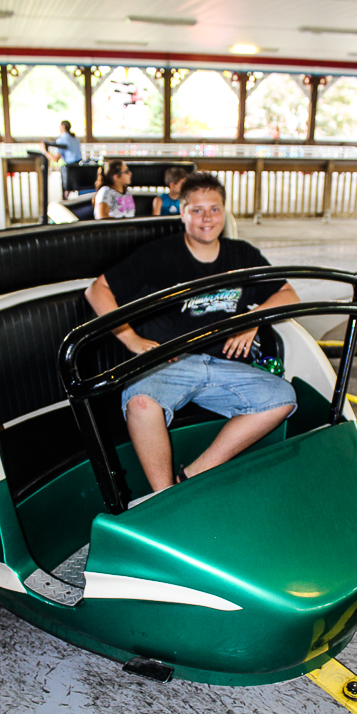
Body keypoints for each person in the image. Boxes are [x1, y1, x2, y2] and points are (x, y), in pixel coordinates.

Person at [85, 172, 299, 494]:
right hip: (171, 362)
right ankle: (165, 496)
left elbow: (287, 294)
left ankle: (192, 477)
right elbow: (97, 290)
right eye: (196, 210)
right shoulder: (158, 254)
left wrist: (252, 319)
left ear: (224, 212)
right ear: (181, 212)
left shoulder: (241, 254)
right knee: (141, 405)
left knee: (283, 398)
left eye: (214, 209)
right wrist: (130, 338)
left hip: (226, 365)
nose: (206, 219)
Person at [41, 120, 82, 199]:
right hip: (78, 167)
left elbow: (55, 159)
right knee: (67, 191)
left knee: (65, 192)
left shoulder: (62, 139)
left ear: (62, 127)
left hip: (70, 169)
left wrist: (44, 151)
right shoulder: (75, 138)